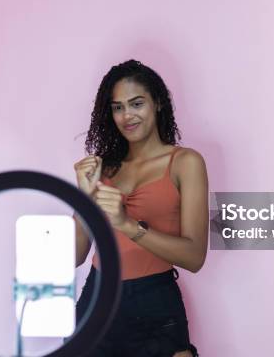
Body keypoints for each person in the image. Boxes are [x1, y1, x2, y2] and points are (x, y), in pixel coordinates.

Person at [72, 59, 208, 356]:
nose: (126, 116)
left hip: (155, 302)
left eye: (136, 104)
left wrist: (128, 225)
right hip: (97, 298)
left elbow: (195, 257)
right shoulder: (102, 167)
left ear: (158, 103)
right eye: (117, 107)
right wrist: (84, 197)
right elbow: (74, 256)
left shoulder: (185, 163)